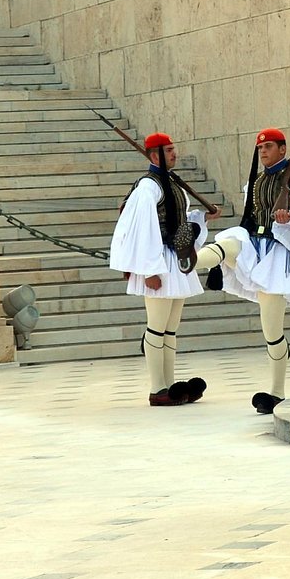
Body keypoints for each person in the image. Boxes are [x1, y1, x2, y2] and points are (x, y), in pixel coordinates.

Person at [193, 127, 290, 414]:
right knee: (229, 240)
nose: (263, 152)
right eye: (260, 148)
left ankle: (276, 392)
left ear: (283, 149)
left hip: (278, 254)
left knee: (272, 332)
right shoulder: (257, 181)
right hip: (253, 242)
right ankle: (189, 262)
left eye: (269, 147)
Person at [109, 132, 218, 407]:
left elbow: (179, 220)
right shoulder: (148, 187)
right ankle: (157, 388)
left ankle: (171, 386)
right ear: (154, 155)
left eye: (173, 149)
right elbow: (143, 229)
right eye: (168, 150)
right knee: (157, 328)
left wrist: (202, 217)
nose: (174, 154)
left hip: (175, 259)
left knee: (170, 329)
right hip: (158, 261)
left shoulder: (171, 183)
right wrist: (149, 270)